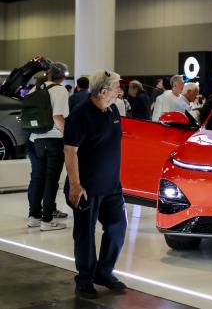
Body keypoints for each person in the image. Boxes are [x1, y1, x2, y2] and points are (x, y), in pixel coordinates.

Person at [63, 70, 128, 299]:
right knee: (85, 234)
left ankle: (104, 272)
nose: (120, 91)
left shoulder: (112, 110)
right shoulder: (80, 115)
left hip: (112, 187)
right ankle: (85, 278)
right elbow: (70, 150)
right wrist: (75, 185)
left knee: (117, 228)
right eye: (117, 88)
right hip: (86, 188)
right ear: (103, 91)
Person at [27, 62, 69, 231]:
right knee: (51, 180)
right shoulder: (60, 90)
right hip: (53, 139)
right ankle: (47, 219)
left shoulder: (35, 89)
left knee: (37, 178)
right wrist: (69, 135)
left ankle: (33, 216)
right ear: (63, 76)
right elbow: (58, 116)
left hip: (35, 139)